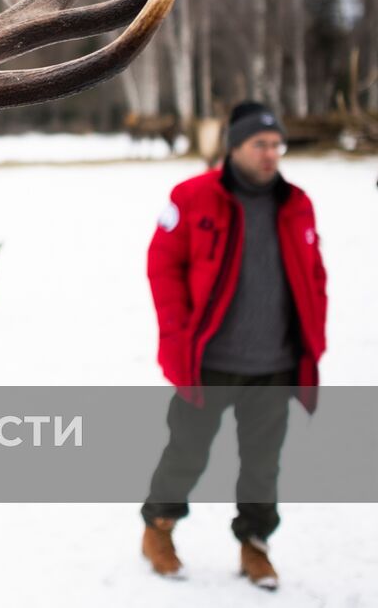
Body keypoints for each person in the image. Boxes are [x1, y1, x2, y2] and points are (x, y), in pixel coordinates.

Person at [139, 101, 328, 590]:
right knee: (187, 453)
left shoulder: (296, 203)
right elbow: (162, 269)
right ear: (235, 147)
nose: (271, 154)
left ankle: (255, 545)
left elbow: (314, 276)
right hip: (209, 363)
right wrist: (178, 343)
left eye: (276, 144)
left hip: (276, 363)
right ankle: (158, 528)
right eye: (259, 145)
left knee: (263, 463)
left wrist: (314, 339)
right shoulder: (193, 197)